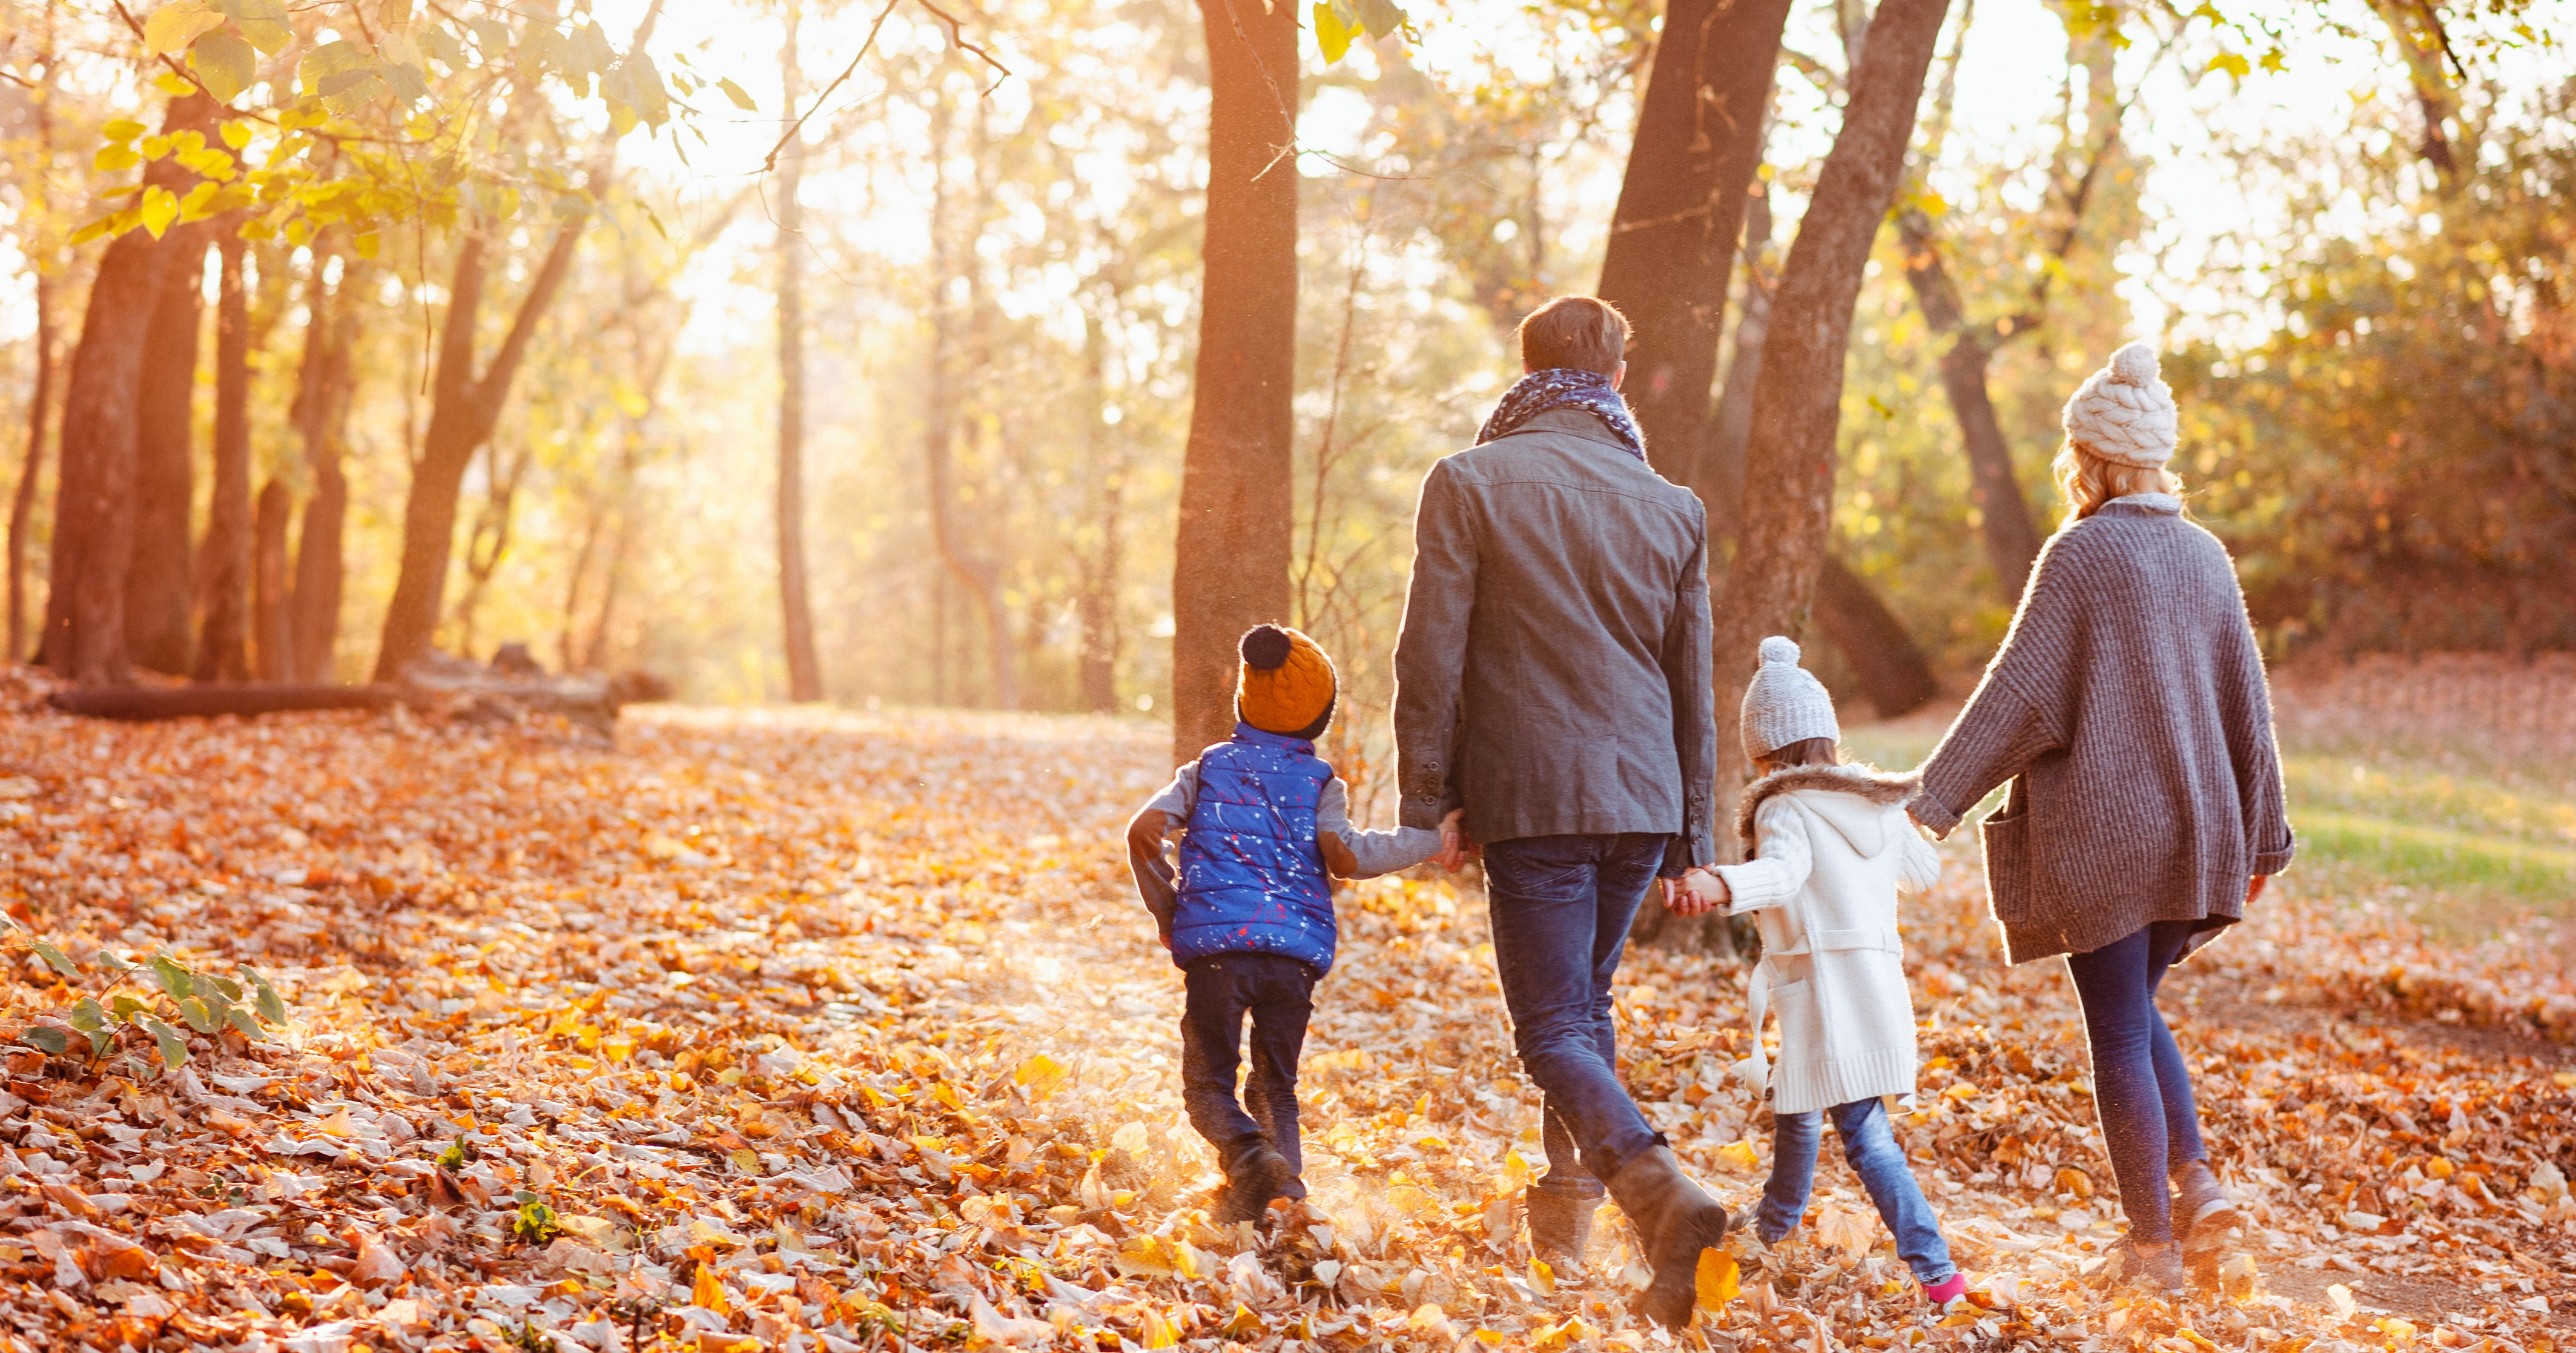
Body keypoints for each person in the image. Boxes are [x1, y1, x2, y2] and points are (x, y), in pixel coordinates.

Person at [1906, 342, 2295, 1298]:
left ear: (2087, 456)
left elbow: (2019, 697)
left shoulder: (2079, 554)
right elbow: (2250, 706)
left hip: (2108, 841)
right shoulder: (2204, 555)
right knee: (2137, 1009)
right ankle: (2199, 1192)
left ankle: (2151, 1248)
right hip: (2198, 835)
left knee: (2117, 1029)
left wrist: (1931, 801)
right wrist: (2263, 838)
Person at [1392, 294, 1730, 1328]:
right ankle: (1570, 1228)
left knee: (1547, 1028)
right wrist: (1693, 831)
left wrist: (1426, 801)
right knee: (1582, 1011)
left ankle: (1659, 1194)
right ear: (1618, 377)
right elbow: (1691, 681)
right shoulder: (1671, 504)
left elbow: (1429, 654)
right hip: (1638, 798)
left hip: (1533, 794)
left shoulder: (1467, 480)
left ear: (1523, 367)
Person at [1668, 637, 1969, 1308]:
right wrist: (1889, 819)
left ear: (1764, 751)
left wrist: (1719, 882)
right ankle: (1774, 1225)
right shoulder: (1875, 802)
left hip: (1827, 992)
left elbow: (1783, 873)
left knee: (1865, 1135)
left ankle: (1938, 1270)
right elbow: (1925, 872)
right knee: (1799, 1109)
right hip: (1874, 987)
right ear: (1828, 737)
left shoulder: (1784, 805)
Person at [1127, 624, 1449, 1225]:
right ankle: (1286, 1200)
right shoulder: (1321, 782)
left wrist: (1171, 912)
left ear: (1244, 701)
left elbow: (1142, 831)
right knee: (1276, 1085)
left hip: (1217, 954)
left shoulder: (1205, 770)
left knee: (1208, 1087)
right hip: (1292, 959)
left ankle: (1250, 1159)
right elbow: (1347, 856)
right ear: (1319, 716)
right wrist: (1427, 841)